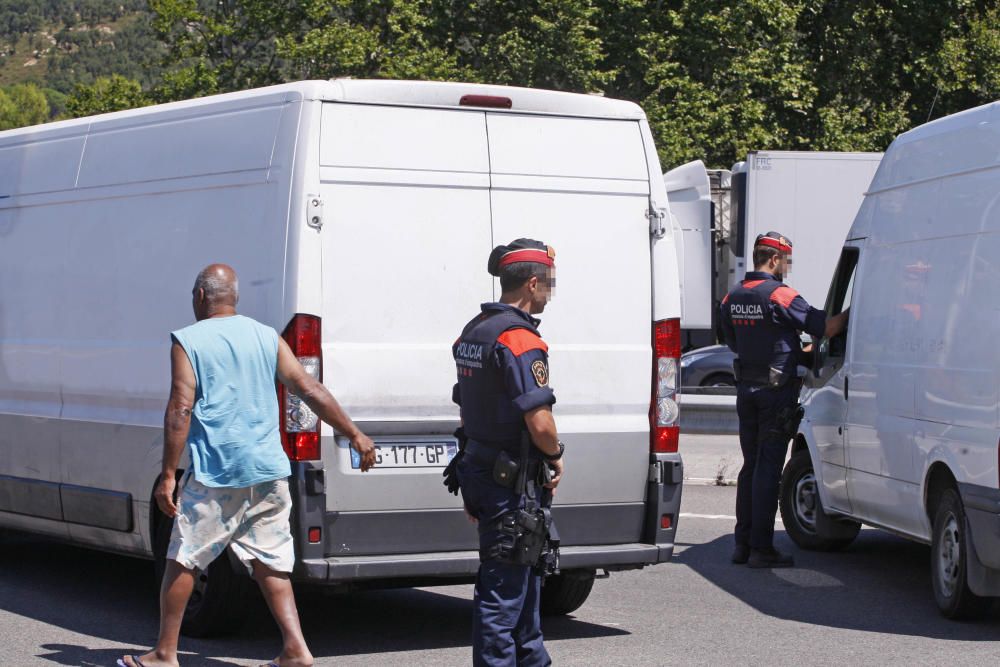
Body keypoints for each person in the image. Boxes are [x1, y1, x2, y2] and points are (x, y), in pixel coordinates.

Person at [119, 264, 376, 667]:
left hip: (218, 471)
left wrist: (168, 474)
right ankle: (295, 649)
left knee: (184, 555)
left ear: (201, 297)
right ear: (234, 298)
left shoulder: (188, 341)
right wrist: (355, 434)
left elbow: (180, 408)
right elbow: (309, 389)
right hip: (269, 470)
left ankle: (164, 654)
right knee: (269, 560)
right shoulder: (266, 336)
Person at [446, 239, 565, 666]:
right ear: (532, 284)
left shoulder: (473, 331)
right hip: (511, 486)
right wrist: (555, 454)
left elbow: (465, 409)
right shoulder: (518, 339)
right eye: (548, 284)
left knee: (525, 593)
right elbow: (540, 421)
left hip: (484, 472)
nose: (549, 292)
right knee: (503, 599)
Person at [719, 232, 847, 569]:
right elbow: (827, 328)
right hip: (776, 395)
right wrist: (852, 311)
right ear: (775, 259)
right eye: (785, 262)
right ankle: (762, 548)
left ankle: (742, 544)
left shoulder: (730, 297)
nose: (785, 269)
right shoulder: (780, 295)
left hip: (746, 391)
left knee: (750, 467)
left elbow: (731, 341)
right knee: (768, 469)